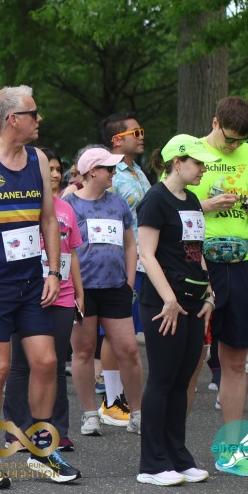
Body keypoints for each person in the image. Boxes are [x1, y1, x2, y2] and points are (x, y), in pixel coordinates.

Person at [0, 85, 79, 487]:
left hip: (31, 283)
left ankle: (42, 451)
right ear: (13, 119)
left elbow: (49, 220)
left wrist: (54, 272)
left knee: (46, 362)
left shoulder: (37, 158)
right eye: (33, 113)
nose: (39, 119)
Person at [188, 96, 248, 476]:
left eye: (241, 140)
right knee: (190, 359)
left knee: (236, 360)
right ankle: (172, 454)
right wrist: (207, 206)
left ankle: (233, 452)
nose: (234, 145)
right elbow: (167, 207)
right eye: (229, 138)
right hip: (199, 262)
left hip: (245, 262)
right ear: (214, 122)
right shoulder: (190, 152)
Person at [135, 135, 218, 486]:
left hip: (193, 301)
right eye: (197, 163)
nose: (202, 170)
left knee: (182, 380)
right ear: (177, 162)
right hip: (163, 303)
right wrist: (169, 298)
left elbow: (196, 250)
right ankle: (152, 465)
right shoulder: (155, 199)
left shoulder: (193, 199)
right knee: (162, 379)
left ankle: (177, 457)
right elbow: (146, 253)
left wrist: (209, 291)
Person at [3, 148, 84, 453]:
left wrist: (80, 292)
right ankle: (17, 431)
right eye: (48, 168)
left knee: (56, 364)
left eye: (58, 169)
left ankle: (57, 431)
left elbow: (72, 252)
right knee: (21, 364)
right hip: (26, 295)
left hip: (62, 295)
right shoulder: (21, 205)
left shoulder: (67, 209)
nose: (54, 174)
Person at [66, 146, 144, 436]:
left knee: (129, 350)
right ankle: (90, 415)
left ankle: (137, 414)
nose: (113, 173)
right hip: (82, 289)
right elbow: (63, 246)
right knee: (84, 351)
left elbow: (131, 244)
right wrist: (71, 288)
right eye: (109, 168)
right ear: (92, 172)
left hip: (116, 288)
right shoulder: (70, 203)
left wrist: (129, 281)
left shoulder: (118, 203)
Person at [100, 113, 152, 418]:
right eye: (136, 132)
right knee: (116, 331)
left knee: (128, 331)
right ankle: (111, 400)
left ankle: (121, 397)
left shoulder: (137, 171)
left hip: (144, 261)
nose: (142, 136)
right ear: (117, 140)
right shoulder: (108, 173)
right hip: (120, 262)